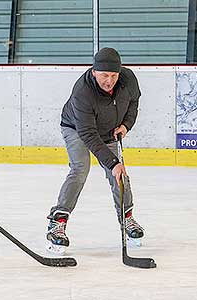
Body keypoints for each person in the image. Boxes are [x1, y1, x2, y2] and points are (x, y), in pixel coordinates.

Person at [46, 47, 144, 254]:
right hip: (77, 129)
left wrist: (126, 125)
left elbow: (134, 102)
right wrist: (113, 162)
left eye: (114, 75)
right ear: (94, 72)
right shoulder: (82, 92)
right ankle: (58, 222)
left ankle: (127, 218)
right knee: (80, 169)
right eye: (104, 75)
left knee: (119, 176)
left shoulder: (128, 79)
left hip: (109, 130)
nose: (109, 81)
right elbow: (88, 134)